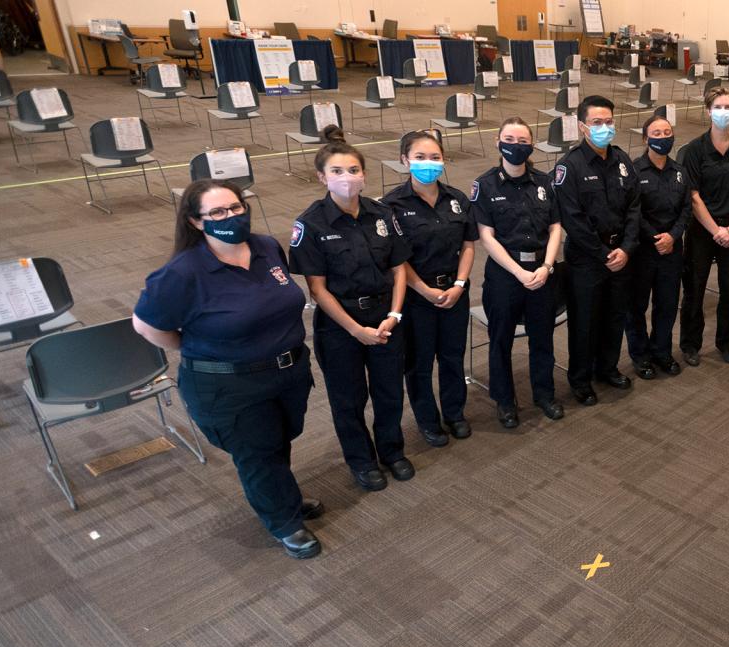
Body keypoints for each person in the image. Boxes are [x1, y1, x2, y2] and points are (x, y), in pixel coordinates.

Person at [132, 180, 323, 559]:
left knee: (278, 440)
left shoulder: (266, 246)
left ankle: (282, 496)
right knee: (258, 453)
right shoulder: (182, 273)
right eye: (217, 212)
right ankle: (284, 522)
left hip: (286, 372)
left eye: (236, 208)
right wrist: (194, 348)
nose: (231, 217)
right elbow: (146, 326)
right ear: (195, 221)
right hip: (229, 383)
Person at [289, 126, 414, 493]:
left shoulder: (382, 214)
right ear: (321, 177)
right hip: (340, 326)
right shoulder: (311, 224)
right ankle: (361, 460)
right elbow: (317, 288)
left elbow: (398, 269)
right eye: (337, 171)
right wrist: (356, 330)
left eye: (354, 170)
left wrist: (395, 315)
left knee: (390, 392)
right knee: (349, 398)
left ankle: (392, 451)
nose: (347, 177)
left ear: (364, 174)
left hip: (386, 317)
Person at [384, 129, 477, 448]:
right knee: (419, 363)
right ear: (404, 160)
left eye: (435, 157)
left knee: (452, 357)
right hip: (416, 298)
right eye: (420, 157)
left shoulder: (457, 199)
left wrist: (459, 284)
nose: (429, 163)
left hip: (455, 292)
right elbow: (397, 259)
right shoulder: (392, 205)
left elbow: (468, 245)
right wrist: (424, 290)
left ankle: (455, 413)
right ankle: (428, 420)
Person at [473, 116, 565, 428]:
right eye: (509, 140)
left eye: (523, 141)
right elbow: (486, 237)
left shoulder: (544, 182)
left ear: (531, 145)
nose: (516, 146)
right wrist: (518, 272)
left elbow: (555, 227)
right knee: (501, 339)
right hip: (505, 274)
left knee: (543, 337)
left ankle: (544, 394)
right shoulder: (485, 186)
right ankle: (504, 401)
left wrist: (547, 266)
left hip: (542, 271)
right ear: (497, 142)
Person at [553, 95, 641, 405]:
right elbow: (572, 219)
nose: (604, 127)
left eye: (608, 122)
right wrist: (604, 254)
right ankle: (580, 379)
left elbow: (634, 207)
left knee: (615, 315)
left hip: (621, 254)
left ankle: (607, 368)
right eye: (597, 122)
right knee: (585, 321)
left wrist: (626, 248)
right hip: (586, 257)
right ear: (582, 126)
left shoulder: (622, 160)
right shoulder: (569, 166)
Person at [677, 85, 729, 365]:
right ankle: (690, 344)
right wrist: (716, 231)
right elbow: (694, 197)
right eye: (718, 107)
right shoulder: (695, 150)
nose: (724, 112)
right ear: (708, 111)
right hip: (702, 230)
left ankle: (726, 342)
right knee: (694, 289)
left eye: (728, 107)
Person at [626, 114, 690, 378]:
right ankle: (640, 356)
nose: (663, 138)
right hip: (643, 251)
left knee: (667, 304)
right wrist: (656, 238)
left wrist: (672, 237)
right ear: (645, 139)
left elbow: (686, 210)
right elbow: (633, 211)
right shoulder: (633, 171)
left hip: (671, 251)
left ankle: (662, 352)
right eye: (656, 133)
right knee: (636, 306)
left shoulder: (680, 172)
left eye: (667, 133)